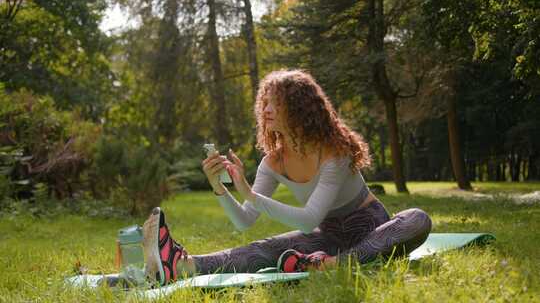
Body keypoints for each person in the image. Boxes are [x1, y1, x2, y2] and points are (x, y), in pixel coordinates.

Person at [142, 69, 432, 286]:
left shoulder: (334, 151)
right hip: (328, 237)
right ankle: (181, 266)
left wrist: (250, 192)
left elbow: (307, 219)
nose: (266, 109)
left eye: (275, 103)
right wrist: (220, 187)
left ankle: (334, 265)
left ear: (299, 107)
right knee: (263, 249)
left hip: (371, 231)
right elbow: (245, 221)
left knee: (417, 218)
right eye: (264, 102)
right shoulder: (274, 161)